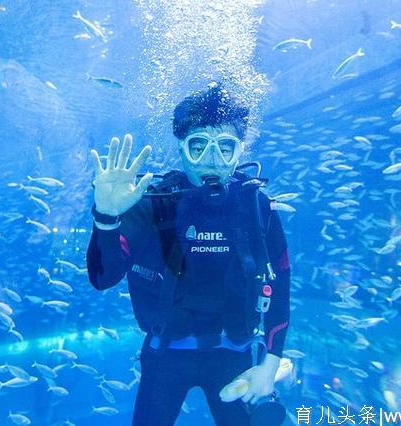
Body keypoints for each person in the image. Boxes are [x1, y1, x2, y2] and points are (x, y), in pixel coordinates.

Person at [86, 82, 291, 426]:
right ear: (182, 149)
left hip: (235, 355)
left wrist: (270, 365)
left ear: (240, 151)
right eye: (198, 146)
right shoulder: (151, 203)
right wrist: (106, 217)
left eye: (225, 147)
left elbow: (281, 284)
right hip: (164, 355)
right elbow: (102, 278)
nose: (211, 160)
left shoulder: (256, 206)